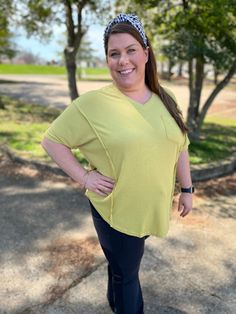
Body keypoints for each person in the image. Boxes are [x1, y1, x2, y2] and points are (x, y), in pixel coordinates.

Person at [41, 13, 193, 314]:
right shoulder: (93, 104)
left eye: (130, 50)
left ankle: (114, 299)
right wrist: (84, 177)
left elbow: (180, 146)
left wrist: (187, 188)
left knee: (121, 267)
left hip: (150, 208)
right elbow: (52, 141)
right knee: (128, 277)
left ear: (146, 54)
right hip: (116, 211)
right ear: (108, 59)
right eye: (114, 53)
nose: (123, 60)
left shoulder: (166, 97)